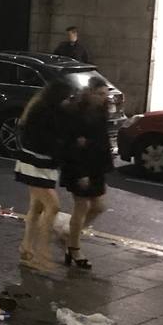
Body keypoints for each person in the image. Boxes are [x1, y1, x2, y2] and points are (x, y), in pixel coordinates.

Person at [14, 79, 73, 272]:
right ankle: (42, 252)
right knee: (52, 206)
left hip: (45, 165)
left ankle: (26, 248)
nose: (69, 101)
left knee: (37, 207)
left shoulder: (54, 110)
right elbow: (41, 140)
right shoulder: (42, 111)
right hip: (34, 164)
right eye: (67, 97)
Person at [60, 77, 112, 270]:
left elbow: (101, 139)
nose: (104, 98)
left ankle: (69, 234)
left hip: (96, 165)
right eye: (100, 94)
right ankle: (74, 248)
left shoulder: (101, 111)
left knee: (98, 206)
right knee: (81, 206)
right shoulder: (77, 113)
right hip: (79, 166)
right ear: (89, 93)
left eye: (106, 94)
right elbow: (73, 145)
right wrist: (81, 172)